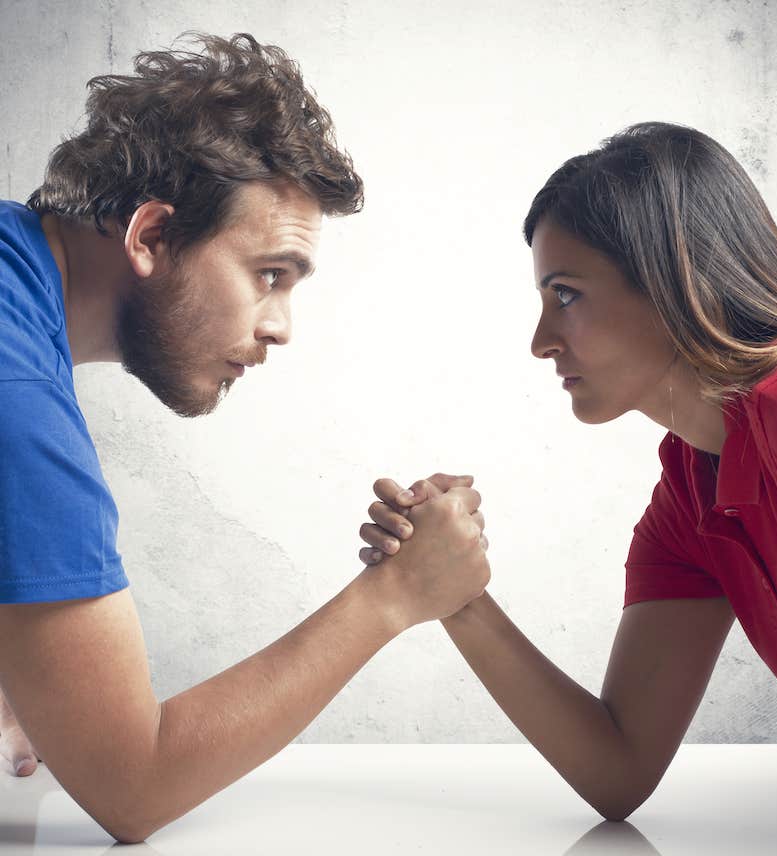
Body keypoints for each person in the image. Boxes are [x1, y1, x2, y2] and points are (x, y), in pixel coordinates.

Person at [0, 33, 489, 843]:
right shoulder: (20, 409)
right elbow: (134, 786)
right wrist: (394, 596)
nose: (281, 328)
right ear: (150, 237)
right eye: (270, 275)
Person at [359, 122, 777, 856]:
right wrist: (455, 596)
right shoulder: (695, 493)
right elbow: (618, 770)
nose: (540, 341)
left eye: (566, 295)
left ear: (671, 282)